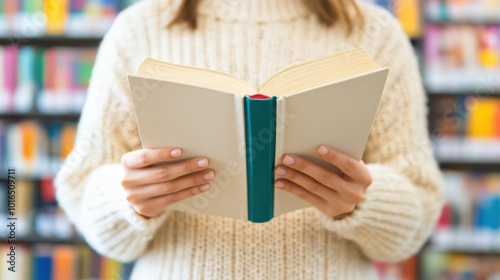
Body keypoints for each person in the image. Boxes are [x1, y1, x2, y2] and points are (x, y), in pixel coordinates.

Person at [54, 0, 444, 279]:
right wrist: (128, 199)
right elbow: (82, 190)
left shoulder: (376, 34)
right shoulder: (137, 30)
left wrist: (365, 200)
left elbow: (420, 208)